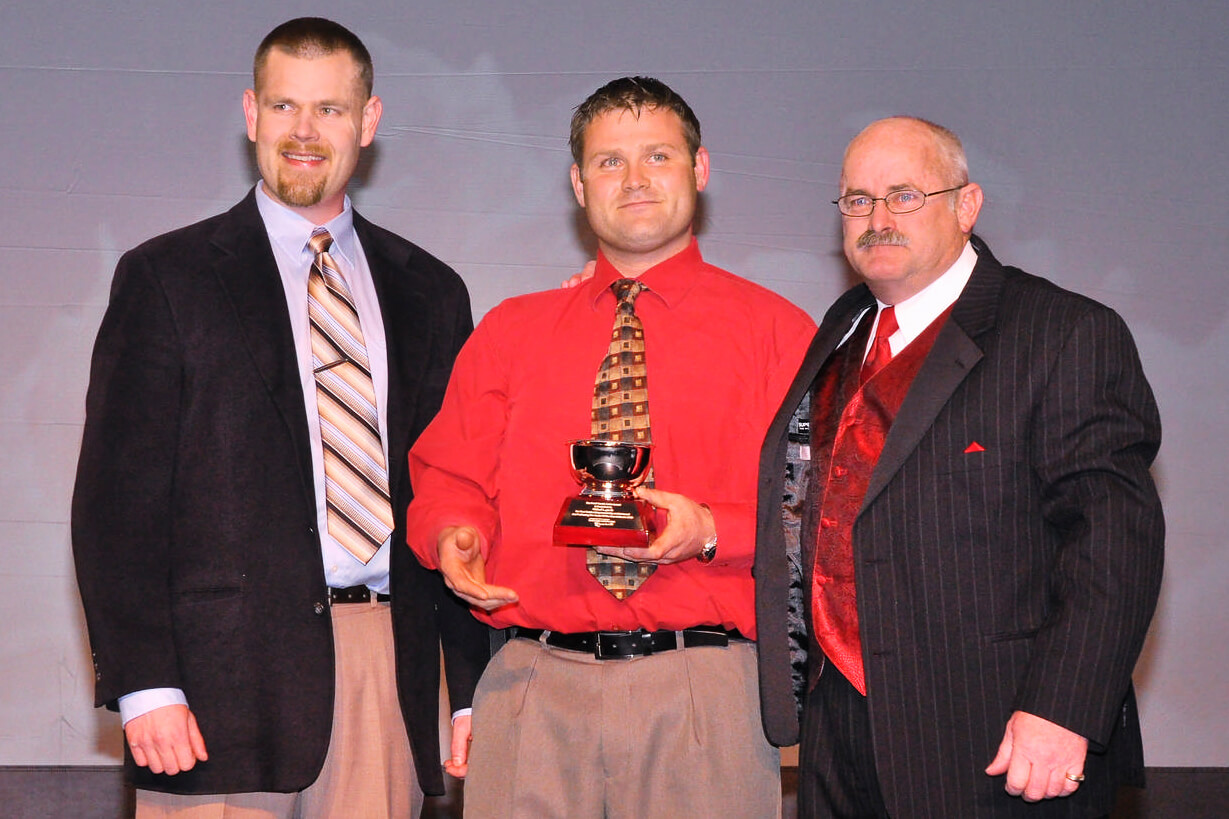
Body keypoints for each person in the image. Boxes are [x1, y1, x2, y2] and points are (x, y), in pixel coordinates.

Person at [71, 17, 488, 818]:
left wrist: (470, 689)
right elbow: (115, 506)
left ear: (367, 122)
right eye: (285, 106)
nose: (304, 131)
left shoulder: (431, 292)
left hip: (381, 668)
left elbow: (456, 493)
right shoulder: (166, 277)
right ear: (251, 112)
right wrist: (144, 681)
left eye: (330, 109)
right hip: (209, 686)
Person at [406, 76, 817, 817]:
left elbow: (825, 508)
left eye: (657, 156)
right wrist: (453, 534)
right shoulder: (511, 331)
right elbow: (448, 472)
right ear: (576, 182)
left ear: (699, 170)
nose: (633, 180)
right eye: (608, 162)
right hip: (530, 682)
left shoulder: (778, 334)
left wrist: (714, 529)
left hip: (705, 690)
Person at [754, 115, 1164, 818]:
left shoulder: (1065, 333)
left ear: (966, 205)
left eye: (904, 195)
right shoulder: (843, 324)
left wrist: (1060, 710)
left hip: (999, 738)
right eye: (857, 200)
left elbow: (1112, 546)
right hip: (840, 734)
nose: (876, 219)